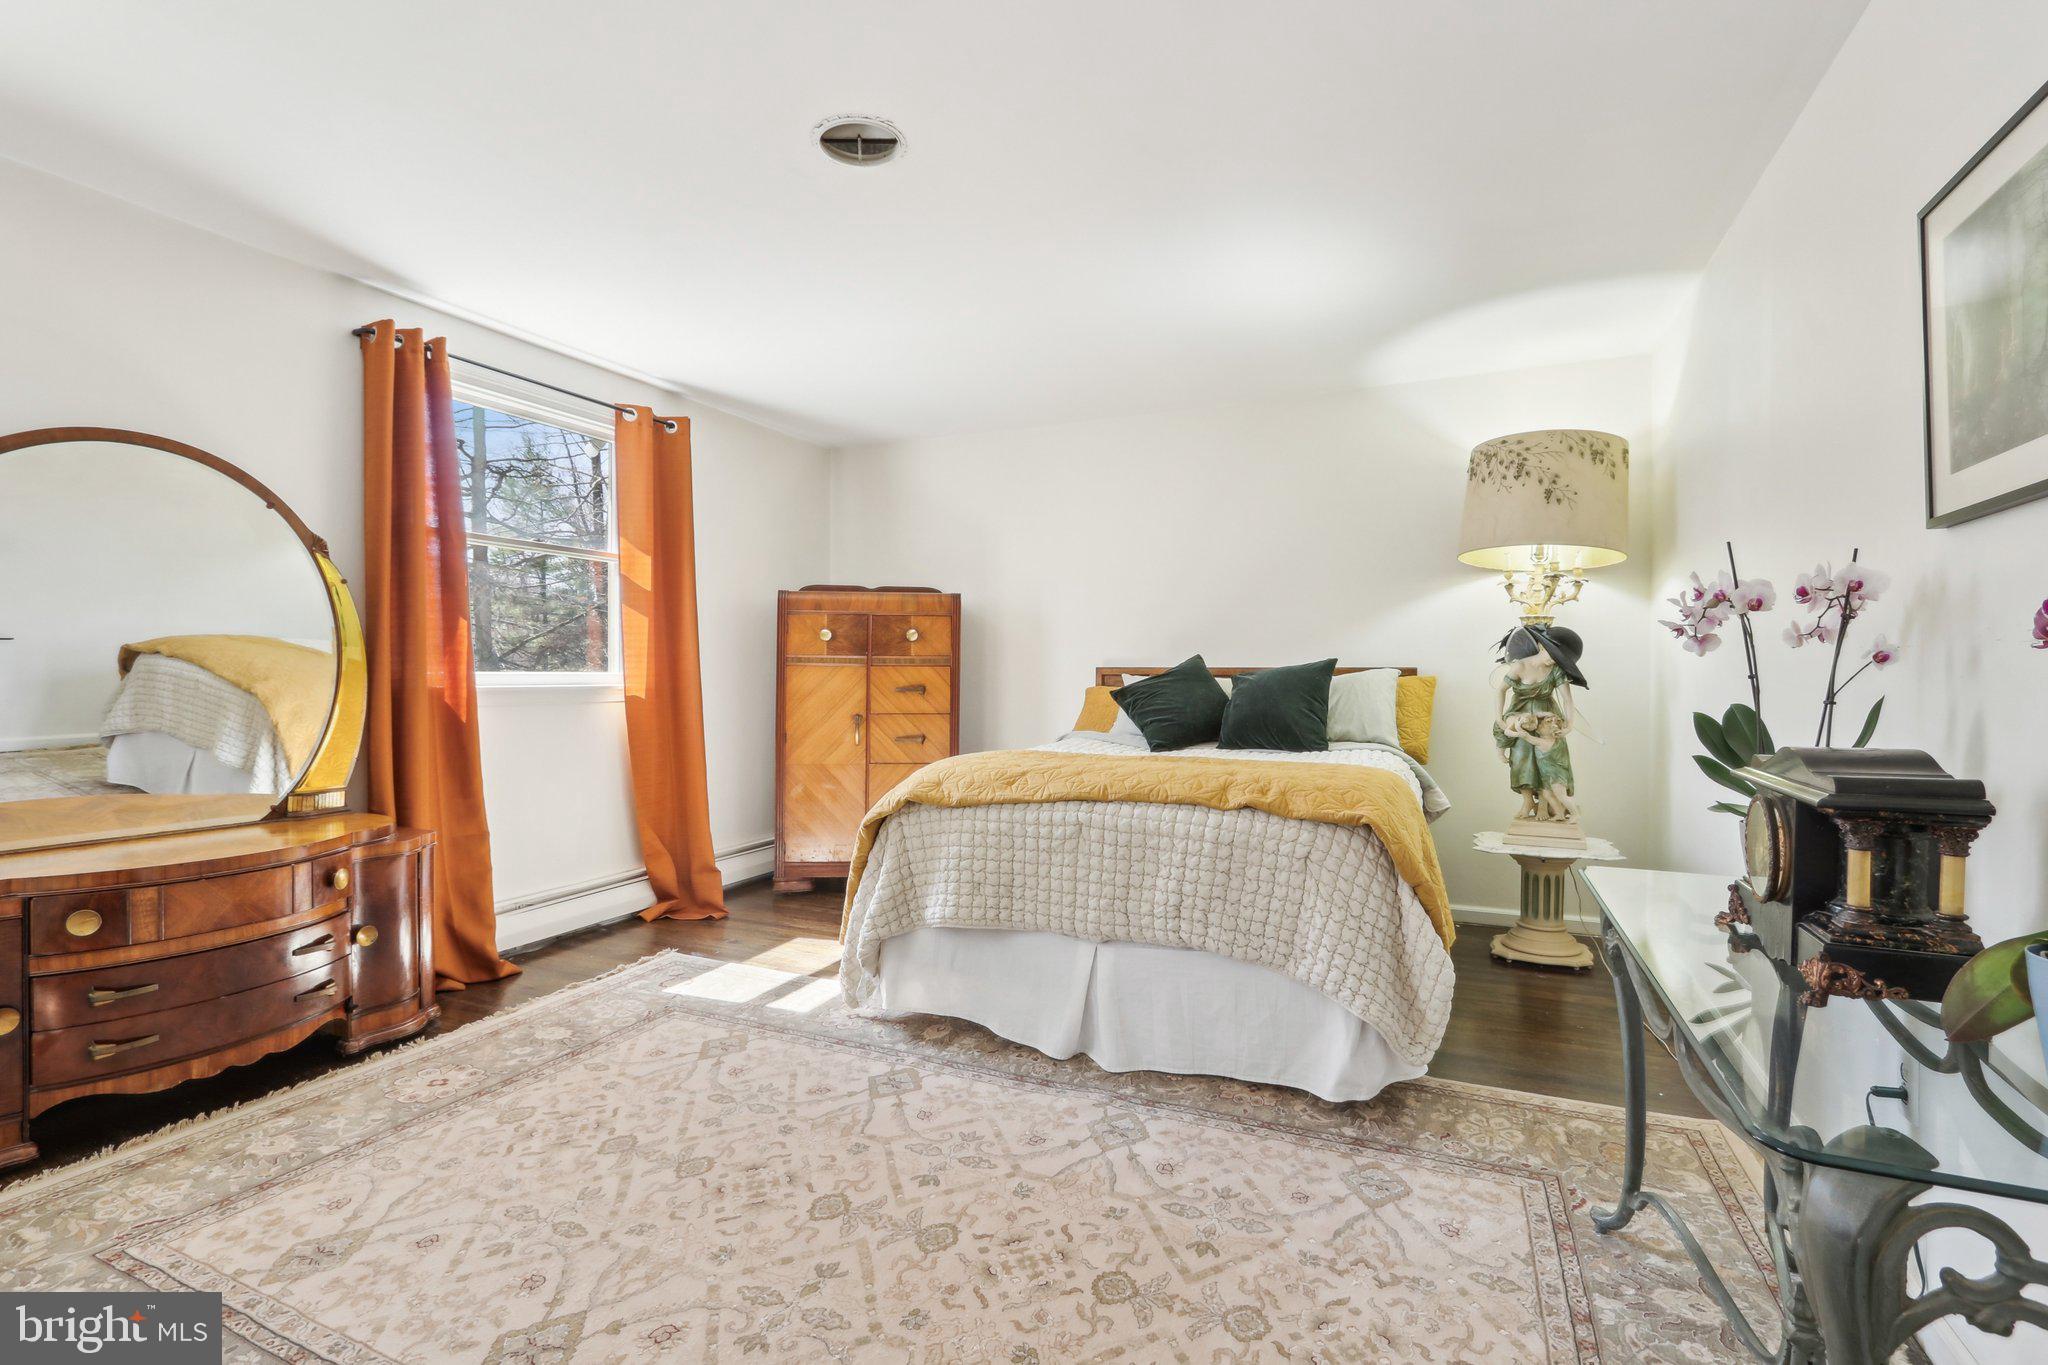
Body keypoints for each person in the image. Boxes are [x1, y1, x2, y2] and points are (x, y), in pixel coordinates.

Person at [1490, 625, 1590, 825]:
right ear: (1540, 646)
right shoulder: (1520, 666)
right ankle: (1528, 801)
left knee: (1547, 761)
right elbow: (1500, 690)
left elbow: (1567, 700)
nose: (1552, 660)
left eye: (1558, 658)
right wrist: (1500, 718)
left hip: (1546, 718)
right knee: (1521, 758)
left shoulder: (1556, 671)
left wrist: (1569, 724)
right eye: (1551, 654)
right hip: (1522, 715)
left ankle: (1544, 802)